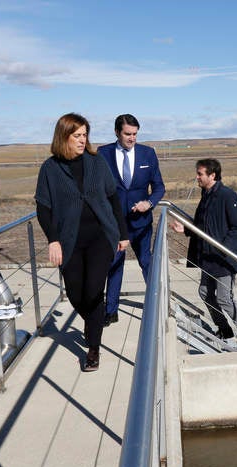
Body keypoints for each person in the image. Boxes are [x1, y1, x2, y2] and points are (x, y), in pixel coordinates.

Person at [35, 113, 129, 371]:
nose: (82, 140)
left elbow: (112, 199)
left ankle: (93, 349)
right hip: (69, 240)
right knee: (76, 293)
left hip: (101, 236)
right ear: (63, 137)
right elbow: (44, 208)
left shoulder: (97, 163)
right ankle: (92, 321)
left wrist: (122, 234)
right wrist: (53, 241)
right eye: (77, 135)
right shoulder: (50, 169)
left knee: (94, 291)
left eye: (85, 135)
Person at [171, 158, 237, 351]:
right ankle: (225, 329)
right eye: (197, 173)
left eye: (200, 174)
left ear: (212, 175)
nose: (197, 177)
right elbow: (202, 226)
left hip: (223, 259)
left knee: (224, 298)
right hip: (208, 257)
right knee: (204, 292)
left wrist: (222, 248)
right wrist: (185, 230)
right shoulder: (206, 195)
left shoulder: (228, 196)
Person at [98, 114, 166, 327]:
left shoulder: (148, 154)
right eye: (128, 134)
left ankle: (158, 305)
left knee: (147, 262)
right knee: (114, 265)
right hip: (114, 225)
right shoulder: (102, 154)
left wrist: (150, 203)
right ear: (117, 132)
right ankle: (111, 311)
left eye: (135, 134)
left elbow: (159, 187)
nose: (132, 138)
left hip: (141, 223)